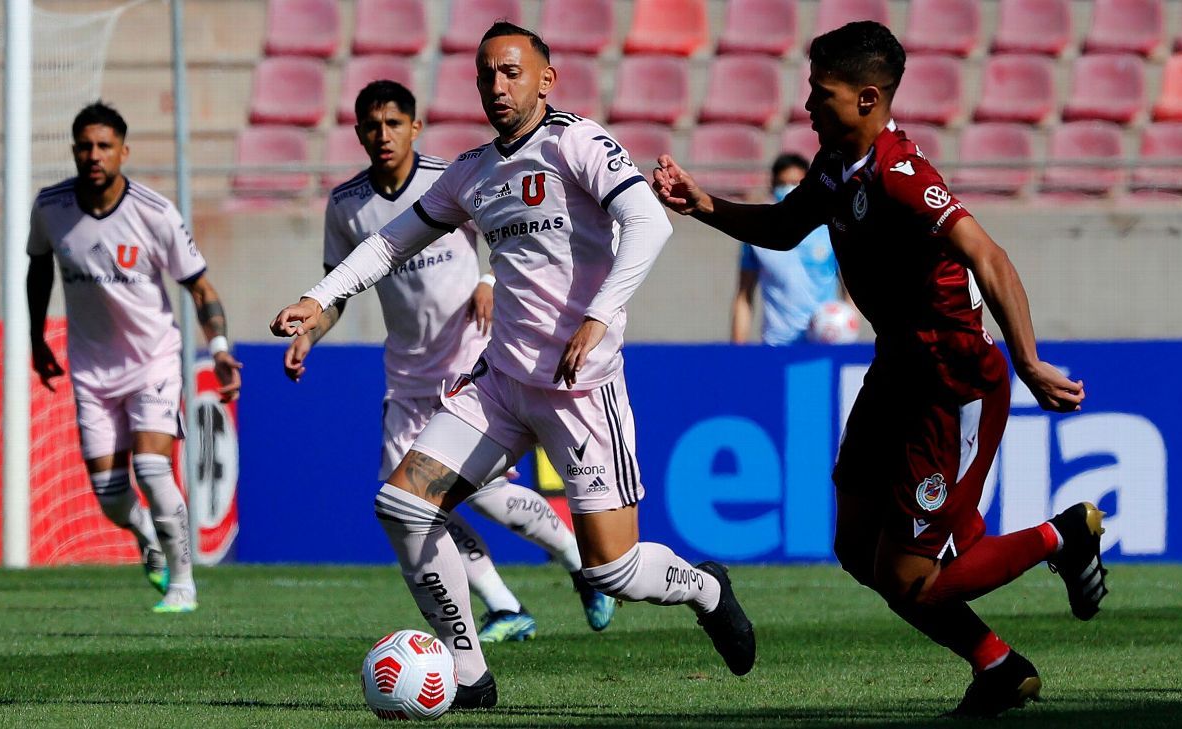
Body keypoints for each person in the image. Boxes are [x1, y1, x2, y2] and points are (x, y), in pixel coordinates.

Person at [272, 22, 755, 709]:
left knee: (613, 569)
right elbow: (388, 246)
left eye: (511, 72)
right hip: (499, 384)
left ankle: (705, 586)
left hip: (580, 389)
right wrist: (318, 296)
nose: (497, 87)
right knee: (403, 505)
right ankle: (469, 674)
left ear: (545, 79)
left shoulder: (576, 142)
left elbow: (649, 222)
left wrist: (600, 314)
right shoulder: (472, 171)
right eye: (485, 76)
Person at [654, 21, 1106, 718]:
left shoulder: (902, 176)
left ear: (868, 99)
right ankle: (997, 665)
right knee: (854, 546)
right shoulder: (834, 165)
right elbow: (783, 228)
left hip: (951, 383)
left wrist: (1030, 362)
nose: (807, 106)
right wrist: (705, 205)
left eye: (821, 94)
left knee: (908, 577)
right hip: (896, 368)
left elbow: (990, 258)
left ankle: (1063, 536)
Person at [285, 79, 615, 642]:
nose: (383, 135)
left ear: (415, 127)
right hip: (405, 378)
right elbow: (341, 291)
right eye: (371, 125)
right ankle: (505, 607)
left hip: (467, 368)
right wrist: (311, 332)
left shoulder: (451, 179)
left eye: (394, 123)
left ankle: (581, 568)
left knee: (481, 494)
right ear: (359, 132)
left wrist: (487, 280)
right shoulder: (346, 205)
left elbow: (506, 236)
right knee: (408, 503)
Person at [27, 102, 241, 614]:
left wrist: (220, 350)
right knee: (109, 497)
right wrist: (36, 339)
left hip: (154, 362)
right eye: (85, 146)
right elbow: (38, 270)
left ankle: (183, 583)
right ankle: (145, 532)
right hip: (92, 369)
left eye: (104, 146)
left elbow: (200, 287)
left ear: (123, 151)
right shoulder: (50, 207)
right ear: (74, 150)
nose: (93, 155)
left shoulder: (154, 212)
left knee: (152, 467)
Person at [729, 154, 844, 345]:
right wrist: (737, 350)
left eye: (795, 182)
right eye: (782, 183)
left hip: (823, 343)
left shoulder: (829, 230)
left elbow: (848, 290)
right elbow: (744, 296)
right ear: (773, 185)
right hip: (776, 343)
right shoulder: (757, 235)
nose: (788, 188)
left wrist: (845, 329)